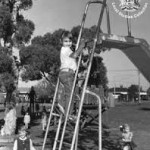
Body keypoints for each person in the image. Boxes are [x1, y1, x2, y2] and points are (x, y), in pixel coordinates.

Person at [57, 31, 85, 117]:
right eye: (66, 41)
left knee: (67, 92)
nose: (68, 43)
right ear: (61, 42)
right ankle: (68, 113)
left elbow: (73, 62)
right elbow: (75, 55)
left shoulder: (66, 50)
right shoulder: (65, 49)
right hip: (67, 74)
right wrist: (81, 46)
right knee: (70, 94)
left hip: (65, 73)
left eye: (69, 41)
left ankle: (61, 104)